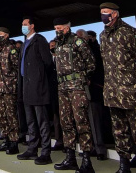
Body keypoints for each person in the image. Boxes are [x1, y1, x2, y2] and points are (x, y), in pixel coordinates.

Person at [99, 3, 136, 173]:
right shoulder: (103, 35)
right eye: (101, 13)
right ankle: (124, 163)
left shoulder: (131, 32)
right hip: (112, 90)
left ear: (115, 14)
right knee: (118, 129)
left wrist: (135, 80)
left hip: (131, 90)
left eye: (106, 13)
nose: (103, 16)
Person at [51, 17, 96, 173]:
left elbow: (91, 63)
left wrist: (83, 78)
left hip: (77, 87)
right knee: (66, 123)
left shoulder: (78, 41)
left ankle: (86, 161)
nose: (57, 31)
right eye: (55, 29)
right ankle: (70, 158)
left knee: (81, 122)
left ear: (67, 28)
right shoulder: (58, 44)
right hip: (62, 88)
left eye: (59, 28)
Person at [17, 16, 54, 165]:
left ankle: (45, 152)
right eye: (22, 24)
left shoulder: (39, 40)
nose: (23, 26)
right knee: (30, 121)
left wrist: (38, 77)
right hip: (26, 87)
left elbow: (48, 62)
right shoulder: (25, 43)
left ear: (32, 26)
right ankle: (32, 149)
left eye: (25, 24)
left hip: (38, 87)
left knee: (42, 121)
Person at [82, 27, 108, 161]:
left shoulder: (95, 50)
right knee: (85, 121)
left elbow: (96, 68)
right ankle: (89, 147)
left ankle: (99, 149)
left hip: (94, 90)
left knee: (95, 120)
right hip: (80, 92)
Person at [0, 27, 21, 155]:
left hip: (9, 88)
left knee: (11, 115)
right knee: (2, 115)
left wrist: (13, 82)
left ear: (7, 35)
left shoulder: (12, 49)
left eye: (1, 34)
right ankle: (6, 139)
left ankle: (14, 142)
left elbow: (17, 68)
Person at [48, 39, 64, 152]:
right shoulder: (48, 59)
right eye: (50, 46)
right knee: (56, 117)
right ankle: (59, 140)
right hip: (53, 92)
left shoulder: (62, 58)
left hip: (64, 90)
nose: (52, 47)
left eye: (54, 45)